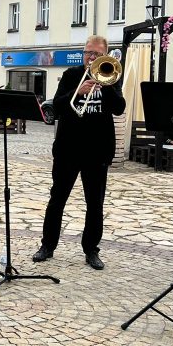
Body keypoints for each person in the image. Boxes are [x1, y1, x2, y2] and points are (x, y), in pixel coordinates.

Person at [34, 35, 125, 270]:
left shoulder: (111, 75)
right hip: (68, 148)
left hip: (98, 150)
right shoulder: (71, 75)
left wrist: (106, 88)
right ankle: (47, 245)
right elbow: (58, 105)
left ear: (104, 55)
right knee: (57, 199)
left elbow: (119, 108)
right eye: (88, 53)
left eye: (96, 54)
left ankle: (91, 250)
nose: (91, 58)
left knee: (95, 203)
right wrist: (80, 91)